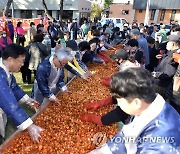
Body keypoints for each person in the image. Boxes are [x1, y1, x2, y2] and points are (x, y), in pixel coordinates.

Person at [90, 68, 180, 153]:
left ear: (136, 103)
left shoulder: (162, 140)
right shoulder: (146, 108)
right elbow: (126, 138)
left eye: (120, 101)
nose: (119, 105)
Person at [80, 49, 140, 127]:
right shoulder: (127, 65)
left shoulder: (128, 70)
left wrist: (92, 118)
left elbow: (123, 92)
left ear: (121, 60)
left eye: (116, 59)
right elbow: (118, 95)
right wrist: (99, 103)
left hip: (133, 103)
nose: (114, 61)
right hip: (130, 95)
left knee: (107, 119)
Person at [0, 44, 43, 144]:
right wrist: (29, 126)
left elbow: (14, 87)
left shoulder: (7, 71)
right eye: (21, 61)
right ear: (10, 59)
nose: (23, 64)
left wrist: (27, 100)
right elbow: (8, 102)